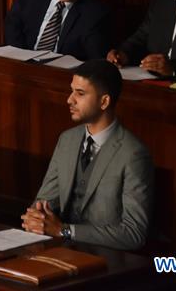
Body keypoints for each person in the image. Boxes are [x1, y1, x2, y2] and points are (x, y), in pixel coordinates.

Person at [22, 60, 153, 251]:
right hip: (60, 253)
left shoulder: (133, 154)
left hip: (106, 262)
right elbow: (44, 202)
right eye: (72, 90)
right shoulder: (67, 140)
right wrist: (36, 217)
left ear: (104, 101)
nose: (69, 99)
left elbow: (134, 234)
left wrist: (65, 231)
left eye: (80, 93)